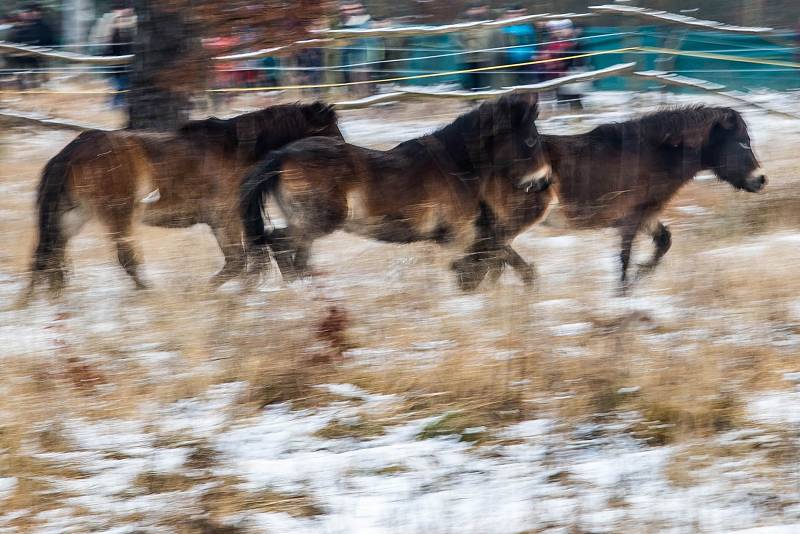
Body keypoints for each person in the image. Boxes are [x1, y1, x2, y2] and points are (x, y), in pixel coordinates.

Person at [9, 4, 55, 89]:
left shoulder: (42, 26)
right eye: (25, 13)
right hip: (20, 55)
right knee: (21, 73)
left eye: (28, 12)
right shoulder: (16, 27)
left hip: (37, 54)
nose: (27, 14)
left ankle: (39, 88)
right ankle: (23, 89)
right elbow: (12, 40)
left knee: (36, 73)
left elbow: (47, 39)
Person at [458, 3, 496, 91]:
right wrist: (466, 48)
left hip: (486, 57)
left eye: (478, 8)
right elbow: (459, 39)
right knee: (472, 81)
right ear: (468, 11)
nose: (476, 11)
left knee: (486, 80)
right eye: (473, 9)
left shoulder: (488, 20)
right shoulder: (463, 22)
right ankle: (474, 98)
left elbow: (491, 37)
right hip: (470, 58)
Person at [105, 7, 136, 108]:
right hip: (117, 64)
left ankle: (114, 104)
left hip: (123, 64)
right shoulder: (116, 34)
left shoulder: (126, 33)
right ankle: (113, 104)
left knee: (121, 86)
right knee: (120, 86)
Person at [498, 5, 537, 86]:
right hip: (509, 63)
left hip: (529, 61)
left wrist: (535, 54)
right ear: (506, 15)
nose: (516, 15)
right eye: (512, 13)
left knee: (530, 85)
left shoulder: (530, 25)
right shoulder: (501, 27)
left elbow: (535, 41)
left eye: (519, 12)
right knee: (511, 87)